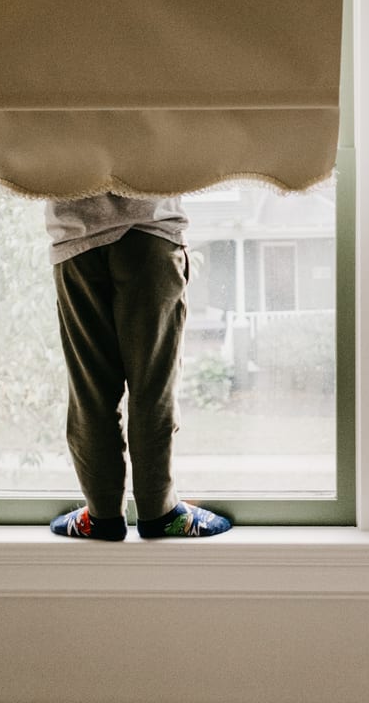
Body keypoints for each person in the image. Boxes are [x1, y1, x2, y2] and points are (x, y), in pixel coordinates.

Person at [44, 192, 231, 540]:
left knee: (90, 389)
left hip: (76, 237)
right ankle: (160, 511)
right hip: (149, 231)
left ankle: (102, 514)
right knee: (153, 386)